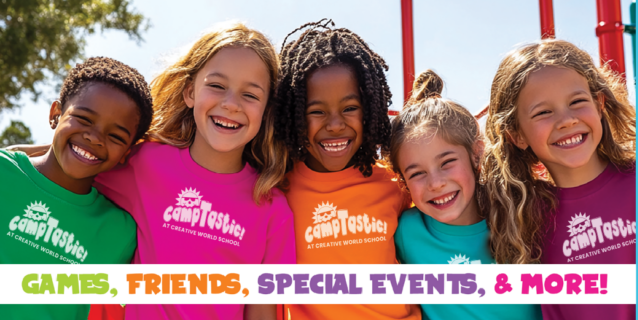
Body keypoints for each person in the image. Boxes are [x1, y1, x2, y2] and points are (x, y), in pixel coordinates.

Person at [93, 22, 295, 320]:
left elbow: (262, 310)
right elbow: (69, 169)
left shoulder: (272, 207)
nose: (231, 104)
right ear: (190, 92)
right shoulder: (145, 163)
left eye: (250, 95)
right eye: (216, 86)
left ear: (266, 111)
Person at [273, 19, 420, 320]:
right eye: (316, 111)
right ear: (294, 115)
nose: (336, 124)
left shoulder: (396, 184)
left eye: (350, 108)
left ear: (371, 109)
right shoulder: (279, 190)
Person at [481, 39, 637, 320]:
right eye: (543, 112)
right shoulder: (520, 216)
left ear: (599, 104)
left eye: (577, 102)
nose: (566, 120)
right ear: (516, 135)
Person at [0, 56, 152, 319]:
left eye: (115, 136)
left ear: (127, 151)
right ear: (55, 114)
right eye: (83, 119)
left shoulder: (120, 231)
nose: (94, 138)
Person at [389, 70, 542, 320]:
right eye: (417, 173)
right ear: (402, 181)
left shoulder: (520, 210)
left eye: (447, 162)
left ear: (476, 154)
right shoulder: (407, 231)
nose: (436, 183)